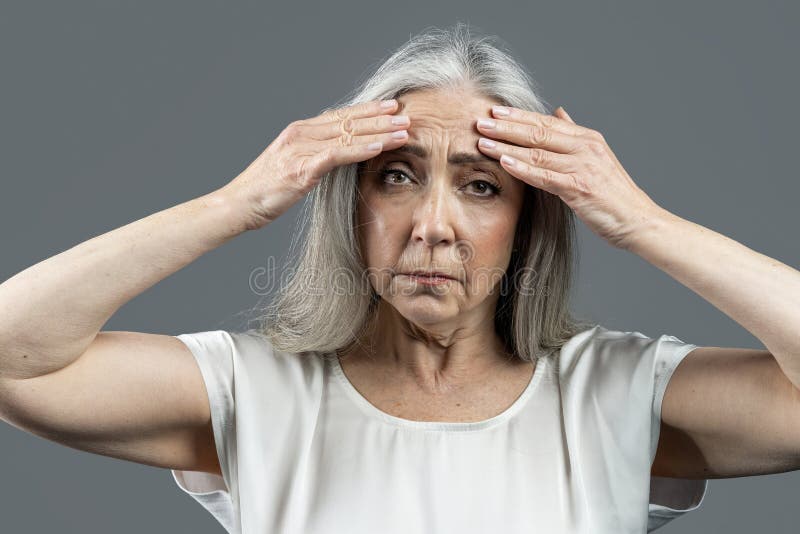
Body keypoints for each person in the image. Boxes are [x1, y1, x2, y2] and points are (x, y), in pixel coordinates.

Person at [1, 22, 799, 534]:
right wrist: (237, 203)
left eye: (482, 186)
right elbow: (14, 356)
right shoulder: (256, 390)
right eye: (396, 176)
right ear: (351, 203)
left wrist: (643, 224)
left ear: (529, 221)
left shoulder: (615, 393)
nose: (433, 224)